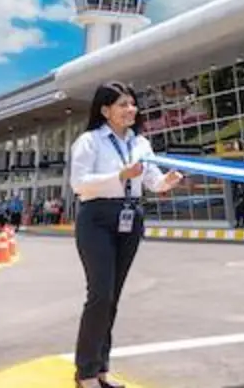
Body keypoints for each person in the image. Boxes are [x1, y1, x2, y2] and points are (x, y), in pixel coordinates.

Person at [69, 81, 183, 388]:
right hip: (97, 219)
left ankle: (102, 369)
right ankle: (85, 373)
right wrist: (119, 174)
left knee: (112, 298)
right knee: (100, 295)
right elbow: (79, 184)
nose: (130, 109)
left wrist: (167, 182)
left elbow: (151, 181)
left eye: (132, 103)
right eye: (122, 104)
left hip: (130, 217)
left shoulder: (141, 144)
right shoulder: (89, 141)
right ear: (105, 110)